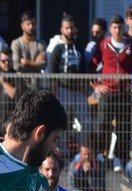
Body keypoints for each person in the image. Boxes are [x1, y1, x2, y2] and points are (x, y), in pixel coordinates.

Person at [89, 16, 132, 172]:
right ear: (110, 29)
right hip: (107, 92)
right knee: (103, 124)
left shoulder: (131, 45)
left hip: (124, 94)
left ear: (124, 28)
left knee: (124, 126)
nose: (117, 31)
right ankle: (101, 156)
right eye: (114, 28)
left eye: (120, 27)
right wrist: (96, 85)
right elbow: (91, 65)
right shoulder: (103, 45)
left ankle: (119, 159)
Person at [45, 14, 87, 148]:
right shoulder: (57, 49)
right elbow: (52, 71)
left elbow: (84, 71)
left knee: (84, 122)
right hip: (62, 90)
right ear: (62, 29)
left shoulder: (79, 48)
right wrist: (54, 91)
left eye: (72, 28)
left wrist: (85, 91)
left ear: (75, 29)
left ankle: (83, 152)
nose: (70, 31)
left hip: (78, 91)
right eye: (67, 28)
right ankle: (62, 152)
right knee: (61, 122)